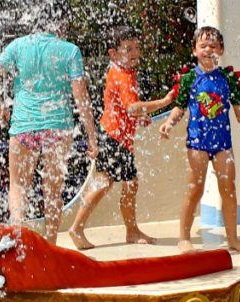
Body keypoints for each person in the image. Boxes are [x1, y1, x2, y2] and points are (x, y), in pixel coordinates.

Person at [0, 1, 98, 244]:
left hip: (23, 127)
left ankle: (16, 237)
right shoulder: (70, 51)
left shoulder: (18, 46)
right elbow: (81, 97)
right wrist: (91, 136)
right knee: (52, 189)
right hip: (57, 128)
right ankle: (51, 244)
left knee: (18, 187)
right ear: (62, 23)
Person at [68, 26, 175, 250]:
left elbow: (122, 107)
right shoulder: (123, 75)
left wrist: (138, 117)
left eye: (136, 47)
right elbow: (132, 107)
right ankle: (80, 228)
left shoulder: (121, 70)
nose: (134, 53)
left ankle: (129, 230)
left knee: (126, 183)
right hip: (114, 139)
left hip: (113, 136)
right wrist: (164, 102)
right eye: (128, 49)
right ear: (113, 53)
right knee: (110, 183)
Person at [158, 26, 240, 254]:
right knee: (195, 190)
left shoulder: (227, 78)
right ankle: (183, 238)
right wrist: (169, 123)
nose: (208, 49)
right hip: (197, 143)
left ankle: (232, 239)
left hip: (222, 144)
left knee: (228, 189)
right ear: (194, 50)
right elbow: (180, 107)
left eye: (213, 45)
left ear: (221, 50)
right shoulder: (190, 78)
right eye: (203, 46)